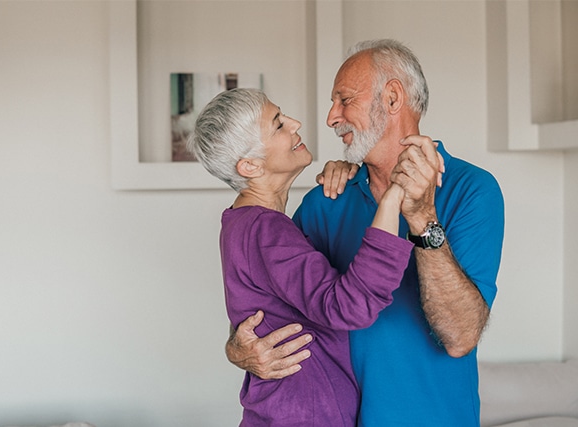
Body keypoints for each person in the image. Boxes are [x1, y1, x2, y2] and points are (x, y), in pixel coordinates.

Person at [226, 39, 505, 426]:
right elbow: (273, 300)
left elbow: (460, 337)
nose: (330, 117)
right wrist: (238, 348)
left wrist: (423, 218)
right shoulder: (326, 200)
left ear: (392, 98)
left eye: (344, 100)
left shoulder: (473, 189)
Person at [187, 88, 417, 426]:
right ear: (250, 165)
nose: (295, 124)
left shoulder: (242, 224)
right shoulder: (265, 231)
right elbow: (349, 306)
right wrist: (393, 197)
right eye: (278, 124)